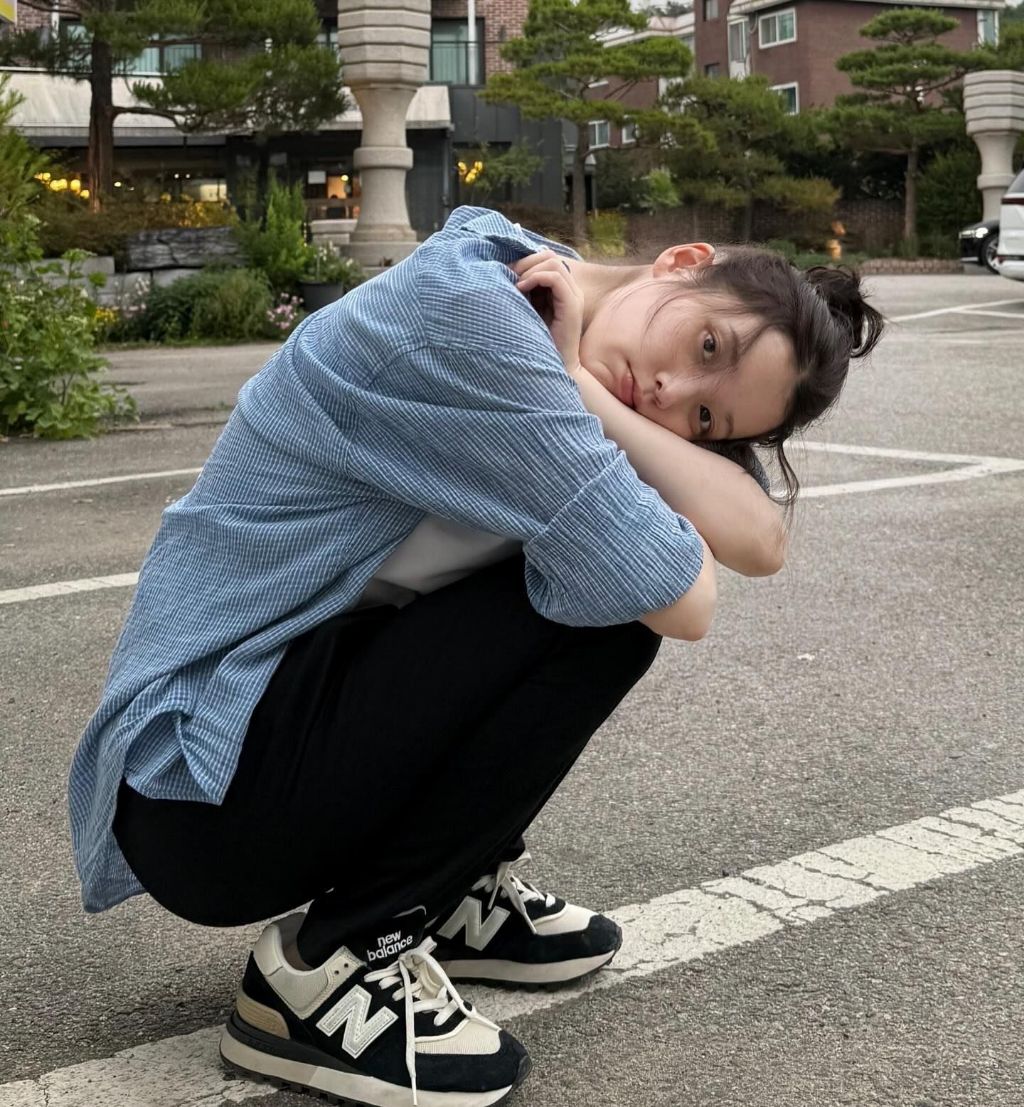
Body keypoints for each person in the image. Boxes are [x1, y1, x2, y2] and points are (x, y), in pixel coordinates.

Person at [69, 205, 883, 1107]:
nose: (666, 390)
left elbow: (760, 536)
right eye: (706, 345)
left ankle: (451, 894)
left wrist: (582, 383)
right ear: (682, 261)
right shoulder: (475, 317)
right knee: (611, 608)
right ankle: (331, 963)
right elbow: (682, 596)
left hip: (275, 742)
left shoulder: (568, 339)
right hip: (201, 782)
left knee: (594, 568)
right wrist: (578, 388)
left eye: (703, 414)